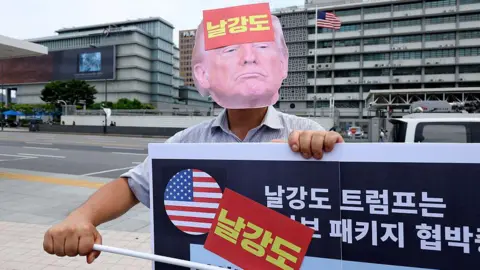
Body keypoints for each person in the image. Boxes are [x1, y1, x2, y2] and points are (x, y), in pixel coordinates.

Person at [42, 14, 344, 264]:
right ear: (202, 74)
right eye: (229, 51)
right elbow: (133, 185)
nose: (249, 59)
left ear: (282, 64)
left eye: (263, 48)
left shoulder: (306, 133)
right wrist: (81, 216)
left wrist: (326, 156)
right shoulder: (184, 144)